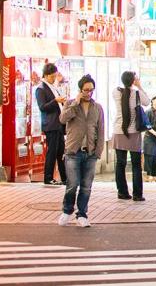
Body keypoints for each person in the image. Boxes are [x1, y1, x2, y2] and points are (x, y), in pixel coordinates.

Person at [58, 75, 106, 227]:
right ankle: (67, 211)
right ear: (80, 90)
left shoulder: (97, 107)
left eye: (91, 90)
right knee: (72, 184)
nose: (89, 93)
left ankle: (82, 214)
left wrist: (98, 151)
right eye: (86, 90)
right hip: (73, 150)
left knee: (86, 185)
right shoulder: (71, 104)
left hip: (90, 152)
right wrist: (75, 103)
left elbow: (101, 130)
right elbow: (62, 119)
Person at [111, 71, 149, 202]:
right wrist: (139, 85)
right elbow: (147, 102)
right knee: (136, 165)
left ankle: (122, 192)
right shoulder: (137, 93)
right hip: (133, 133)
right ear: (133, 80)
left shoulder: (116, 92)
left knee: (120, 164)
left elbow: (124, 92)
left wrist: (132, 84)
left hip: (119, 131)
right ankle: (137, 195)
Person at [36, 63, 68, 186]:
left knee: (61, 151)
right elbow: (42, 107)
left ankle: (65, 177)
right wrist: (55, 101)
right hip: (51, 125)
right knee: (52, 152)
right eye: (52, 76)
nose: (54, 79)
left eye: (55, 76)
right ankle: (48, 177)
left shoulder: (53, 87)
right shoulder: (41, 89)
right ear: (46, 75)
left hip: (59, 124)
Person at [142, 95, 156, 182]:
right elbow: (147, 125)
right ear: (153, 100)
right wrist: (155, 133)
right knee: (149, 156)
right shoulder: (148, 111)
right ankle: (148, 175)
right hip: (149, 137)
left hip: (155, 138)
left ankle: (154, 175)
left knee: (155, 156)